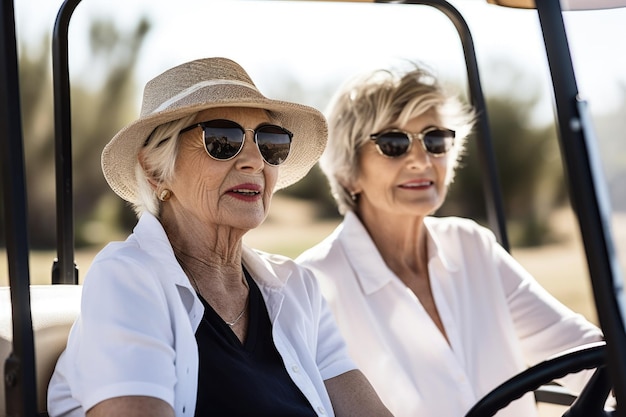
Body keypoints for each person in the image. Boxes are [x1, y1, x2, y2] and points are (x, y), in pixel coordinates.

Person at [47, 57, 392, 417]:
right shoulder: (127, 280)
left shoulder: (297, 289)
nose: (255, 162)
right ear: (155, 169)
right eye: (222, 140)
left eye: (269, 143)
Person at [296, 63, 604, 417]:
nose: (420, 159)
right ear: (349, 172)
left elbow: (582, 352)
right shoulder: (314, 284)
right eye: (394, 143)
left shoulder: (472, 245)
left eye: (435, 140)